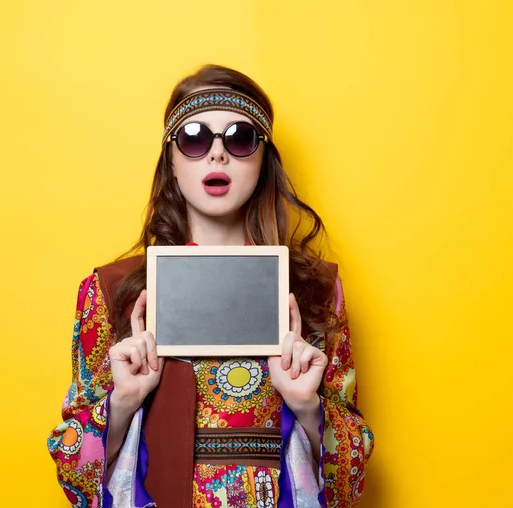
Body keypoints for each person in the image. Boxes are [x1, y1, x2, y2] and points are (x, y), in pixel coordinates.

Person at [47, 64, 374, 508]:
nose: (217, 154)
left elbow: (352, 473)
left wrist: (308, 406)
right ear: (172, 160)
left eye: (239, 138)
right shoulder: (112, 291)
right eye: (195, 138)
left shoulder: (314, 290)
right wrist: (123, 401)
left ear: (263, 160)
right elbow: (72, 466)